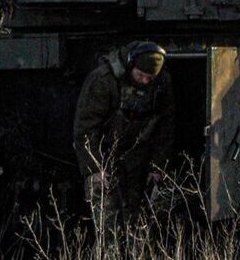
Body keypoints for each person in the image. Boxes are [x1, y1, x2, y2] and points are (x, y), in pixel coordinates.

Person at [73, 40, 175, 220]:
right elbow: (86, 127)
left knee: (138, 224)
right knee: (109, 228)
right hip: (103, 162)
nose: (144, 81)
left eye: (149, 78)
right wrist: (93, 168)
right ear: (130, 64)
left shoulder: (160, 83)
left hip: (137, 163)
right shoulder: (104, 81)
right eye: (141, 75)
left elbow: (165, 127)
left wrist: (157, 166)